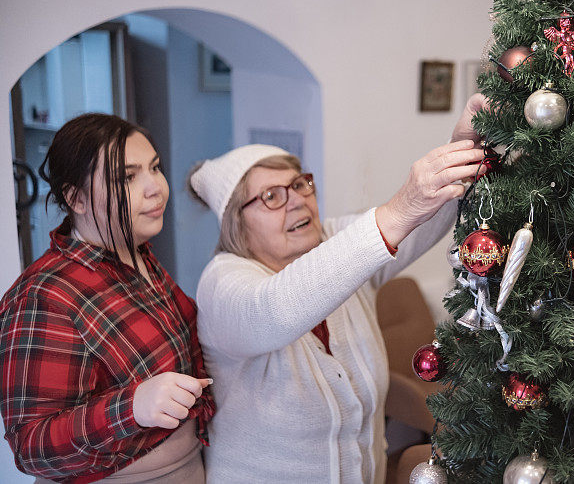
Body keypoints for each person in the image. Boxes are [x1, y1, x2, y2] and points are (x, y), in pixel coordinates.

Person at [188, 94, 488, 483]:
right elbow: (274, 310)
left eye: (299, 184)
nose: (296, 200)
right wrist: (399, 209)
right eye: (272, 196)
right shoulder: (221, 281)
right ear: (236, 223)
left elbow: (422, 221)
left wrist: (464, 148)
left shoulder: (331, 241)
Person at [0, 114, 215, 483]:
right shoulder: (44, 295)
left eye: (155, 168)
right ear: (76, 198)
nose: (155, 188)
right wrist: (131, 407)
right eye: (128, 177)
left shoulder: (136, 253)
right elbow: (31, 447)